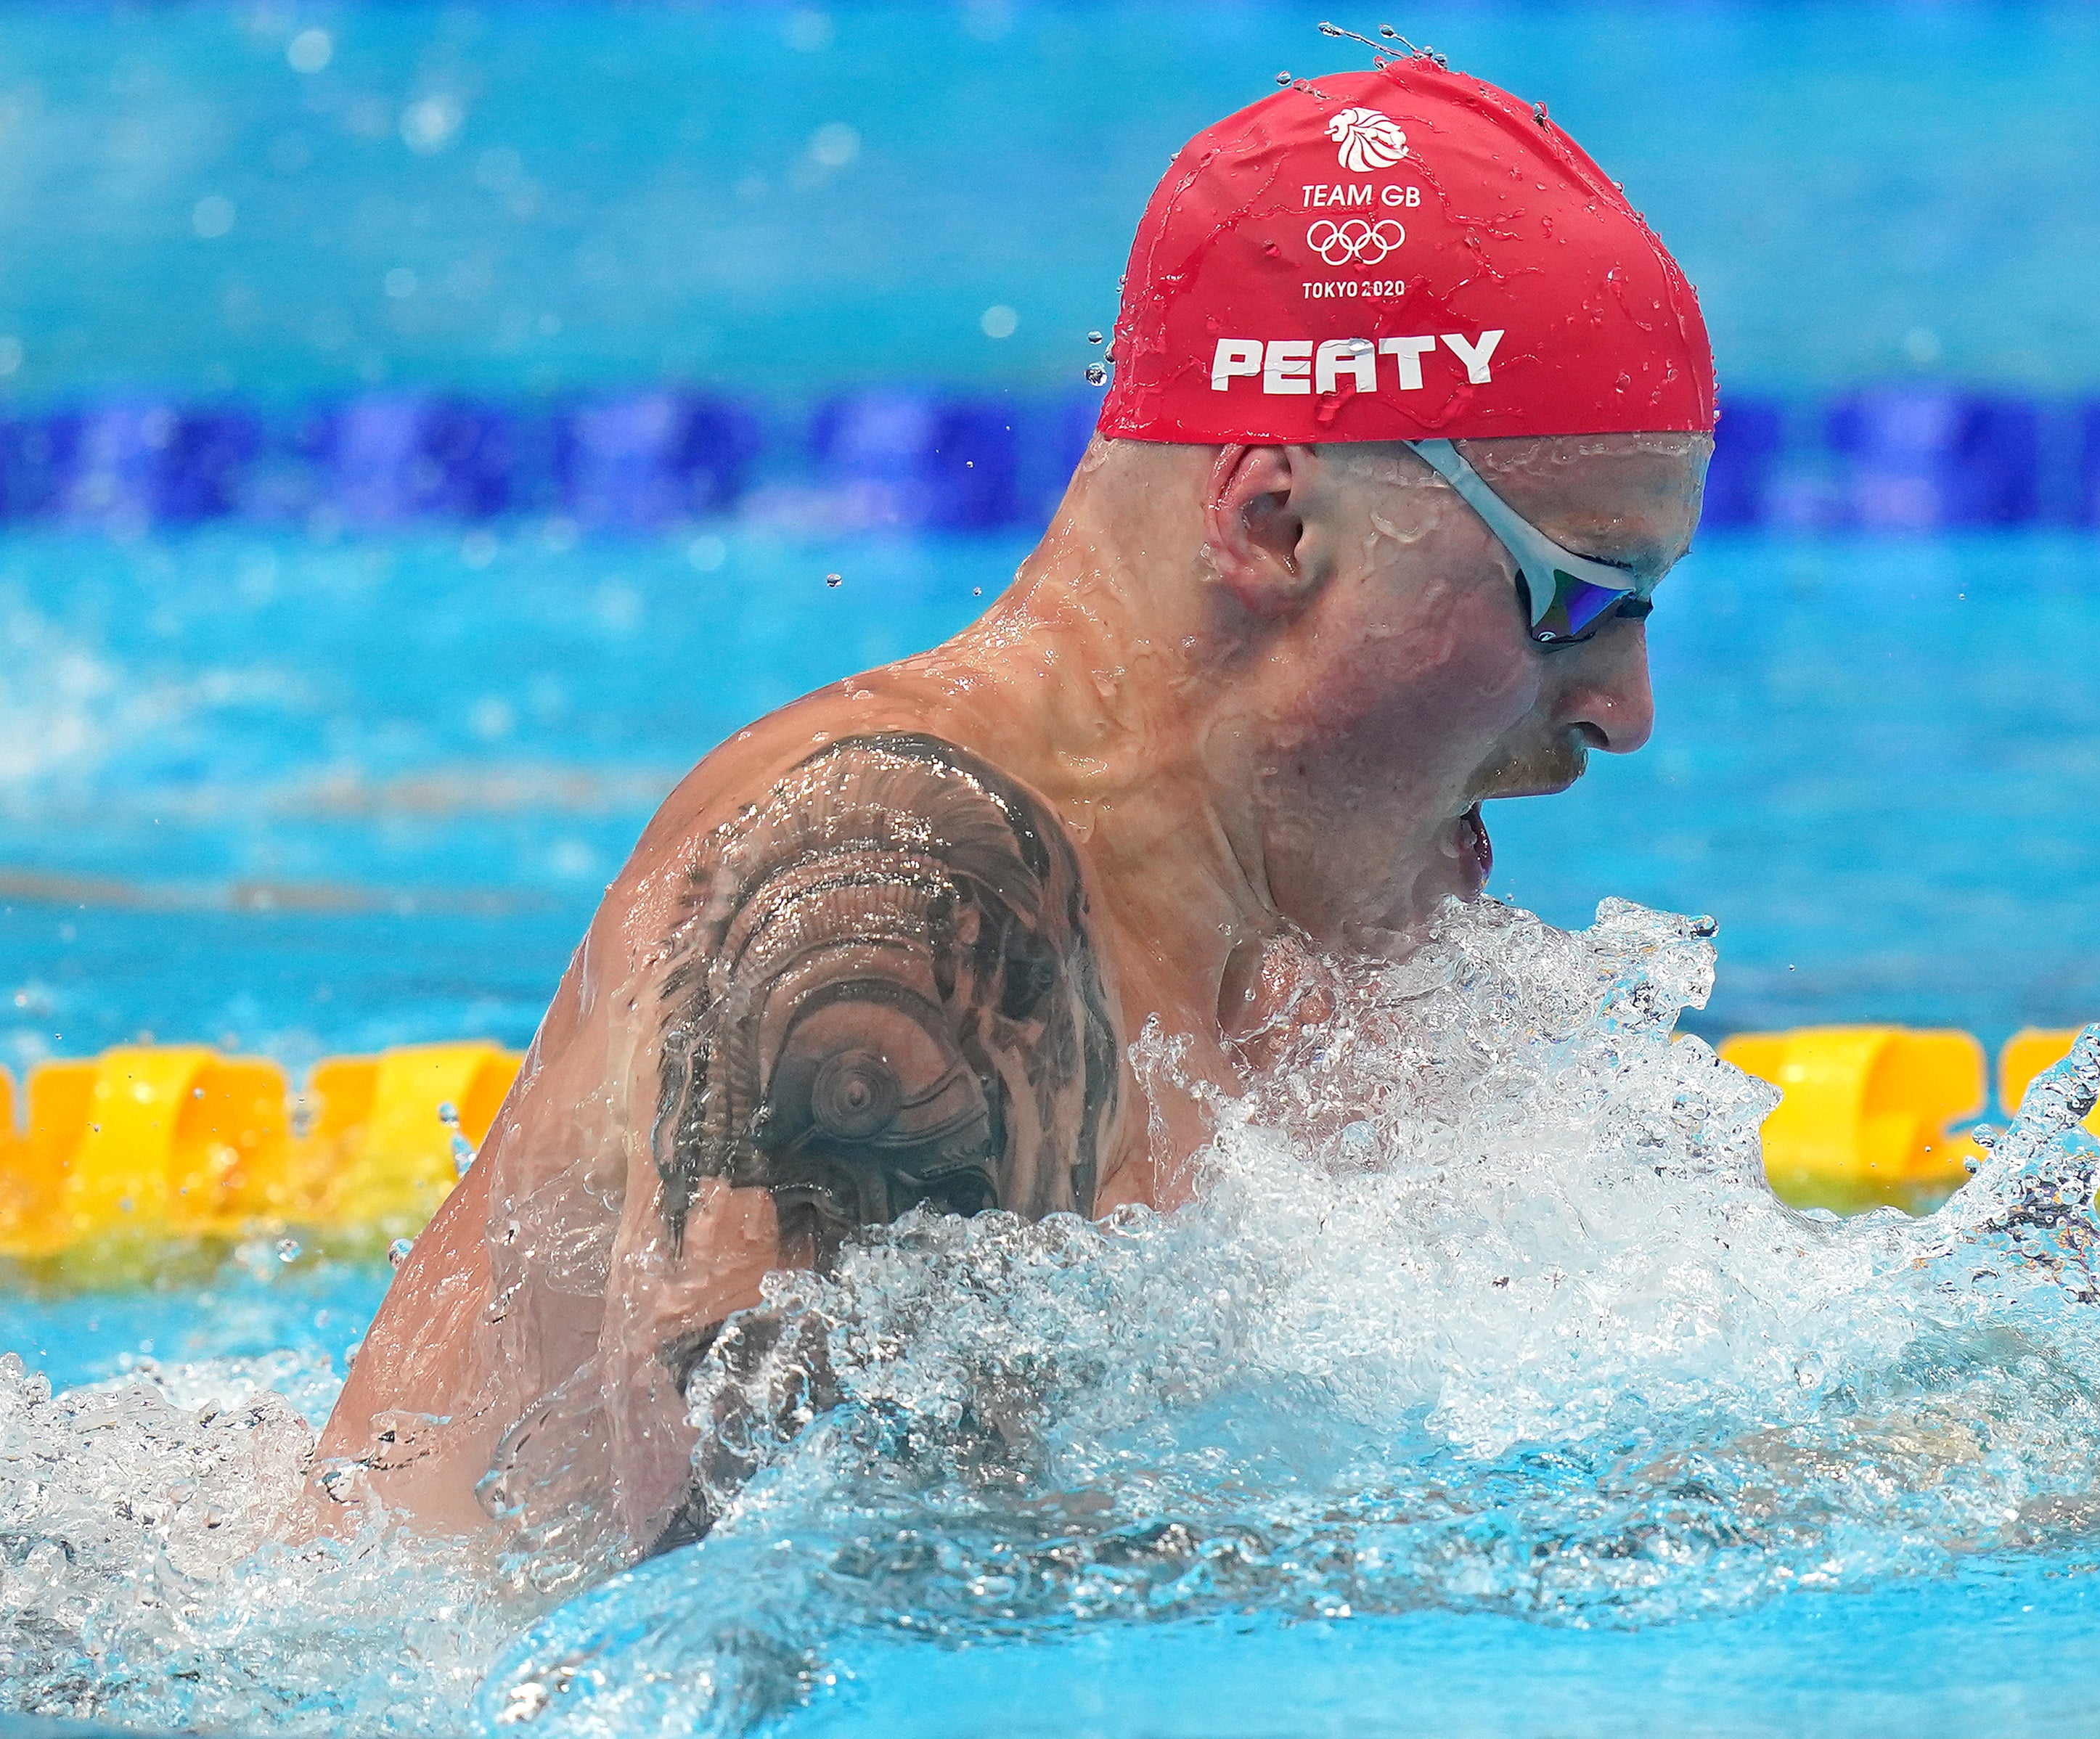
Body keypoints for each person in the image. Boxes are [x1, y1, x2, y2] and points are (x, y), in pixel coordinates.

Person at [312, 51, 1717, 1566]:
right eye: (1577, 597)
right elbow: (775, 1625)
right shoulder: (899, 891)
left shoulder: (1305, 968)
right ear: (1276, 519)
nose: (1621, 709)